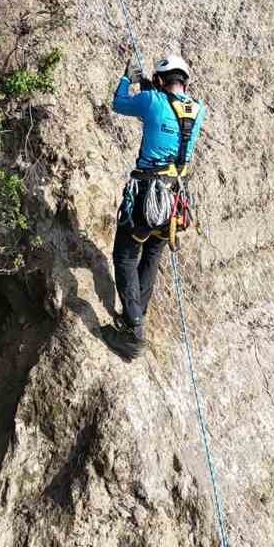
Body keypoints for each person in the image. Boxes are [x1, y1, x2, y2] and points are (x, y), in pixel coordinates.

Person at [106, 52, 205, 360]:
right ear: (185, 82)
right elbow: (174, 110)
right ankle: (136, 315)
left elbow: (120, 102)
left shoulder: (152, 101)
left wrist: (129, 78)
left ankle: (133, 331)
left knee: (124, 254)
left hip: (148, 195)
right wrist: (154, 86)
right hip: (174, 198)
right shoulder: (198, 110)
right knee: (152, 252)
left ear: (162, 81)